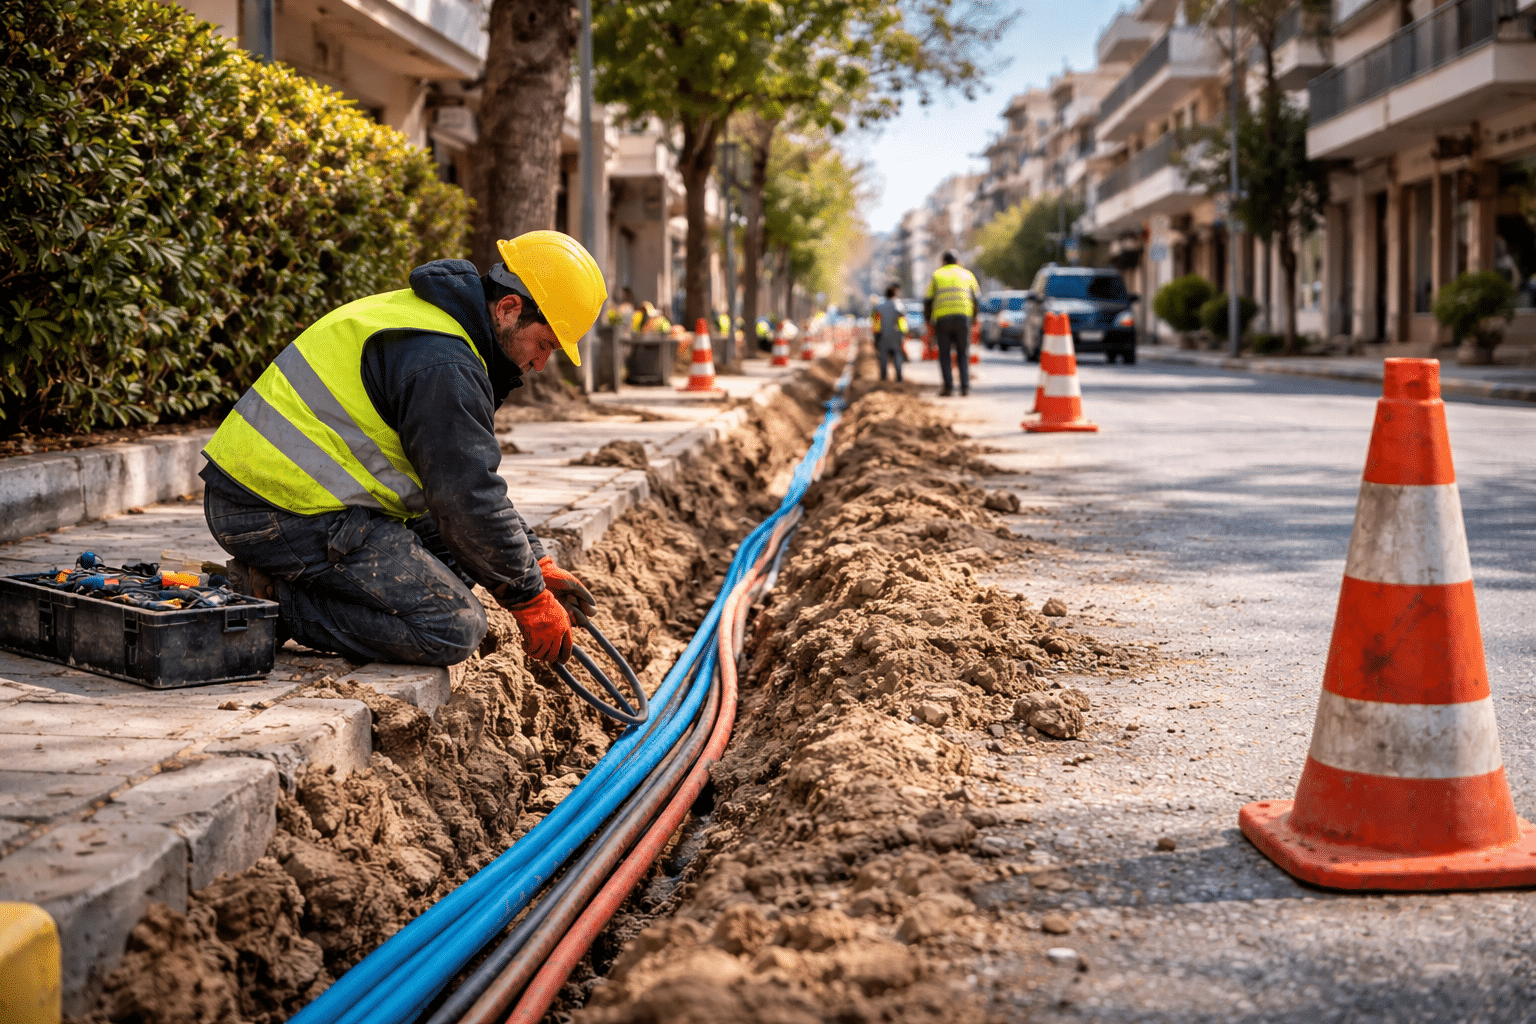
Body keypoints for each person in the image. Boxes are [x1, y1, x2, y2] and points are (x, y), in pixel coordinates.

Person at [200, 231, 606, 667]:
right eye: (544, 344)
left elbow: (468, 485)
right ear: (509, 309)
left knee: (473, 555)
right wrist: (527, 598)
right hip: (269, 512)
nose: (541, 363)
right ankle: (276, 602)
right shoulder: (444, 364)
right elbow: (466, 498)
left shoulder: (438, 326)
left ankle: (293, 585)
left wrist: (535, 561)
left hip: (296, 498)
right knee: (451, 626)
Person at [924, 250, 981, 397]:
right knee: (963, 353)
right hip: (963, 318)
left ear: (943, 261)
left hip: (942, 320)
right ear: (958, 261)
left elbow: (928, 301)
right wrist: (974, 320)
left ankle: (948, 387)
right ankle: (964, 388)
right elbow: (976, 300)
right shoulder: (967, 275)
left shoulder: (937, 275)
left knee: (944, 354)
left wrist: (928, 322)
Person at [872, 284, 908, 382]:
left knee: (883, 357)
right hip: (896, 336)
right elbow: (902, 323)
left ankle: (883, 378)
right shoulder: (899, 306)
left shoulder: (879, 307)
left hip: (883, 336)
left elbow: (876, 323)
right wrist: (903, 334)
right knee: (897, 355)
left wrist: (876, 336)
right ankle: (899, 378)